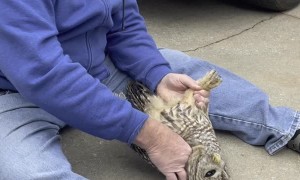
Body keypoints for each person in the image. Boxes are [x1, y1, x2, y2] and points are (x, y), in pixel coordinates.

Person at [0, 1, 298, 180]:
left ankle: (288, 127)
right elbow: (42, 72)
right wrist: (151, 136)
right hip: (16, 94)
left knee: (185, 71)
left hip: (100, 68)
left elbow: (125, 26)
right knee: (24, 171)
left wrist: (158, 76)